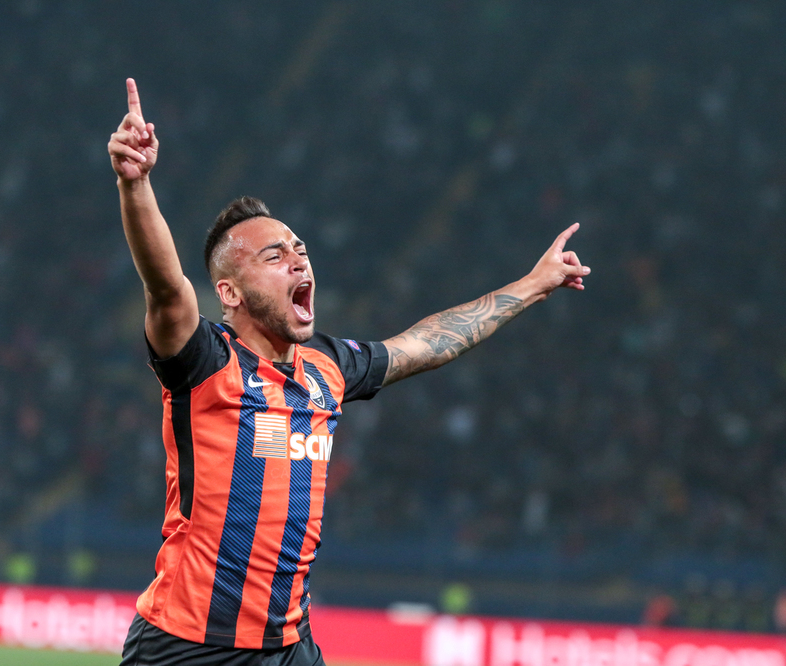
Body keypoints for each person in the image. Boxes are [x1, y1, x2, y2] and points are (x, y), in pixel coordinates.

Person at [108, 78, 589, 666]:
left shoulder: (327, 367)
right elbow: (165, 287)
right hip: (187, 646)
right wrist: (136, 183)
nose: (298, 261)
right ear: (229, 293)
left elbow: (427, 344)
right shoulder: (207, 361)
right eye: (275, 256)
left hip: (287, 646)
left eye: (301, 250)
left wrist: (534, 283)